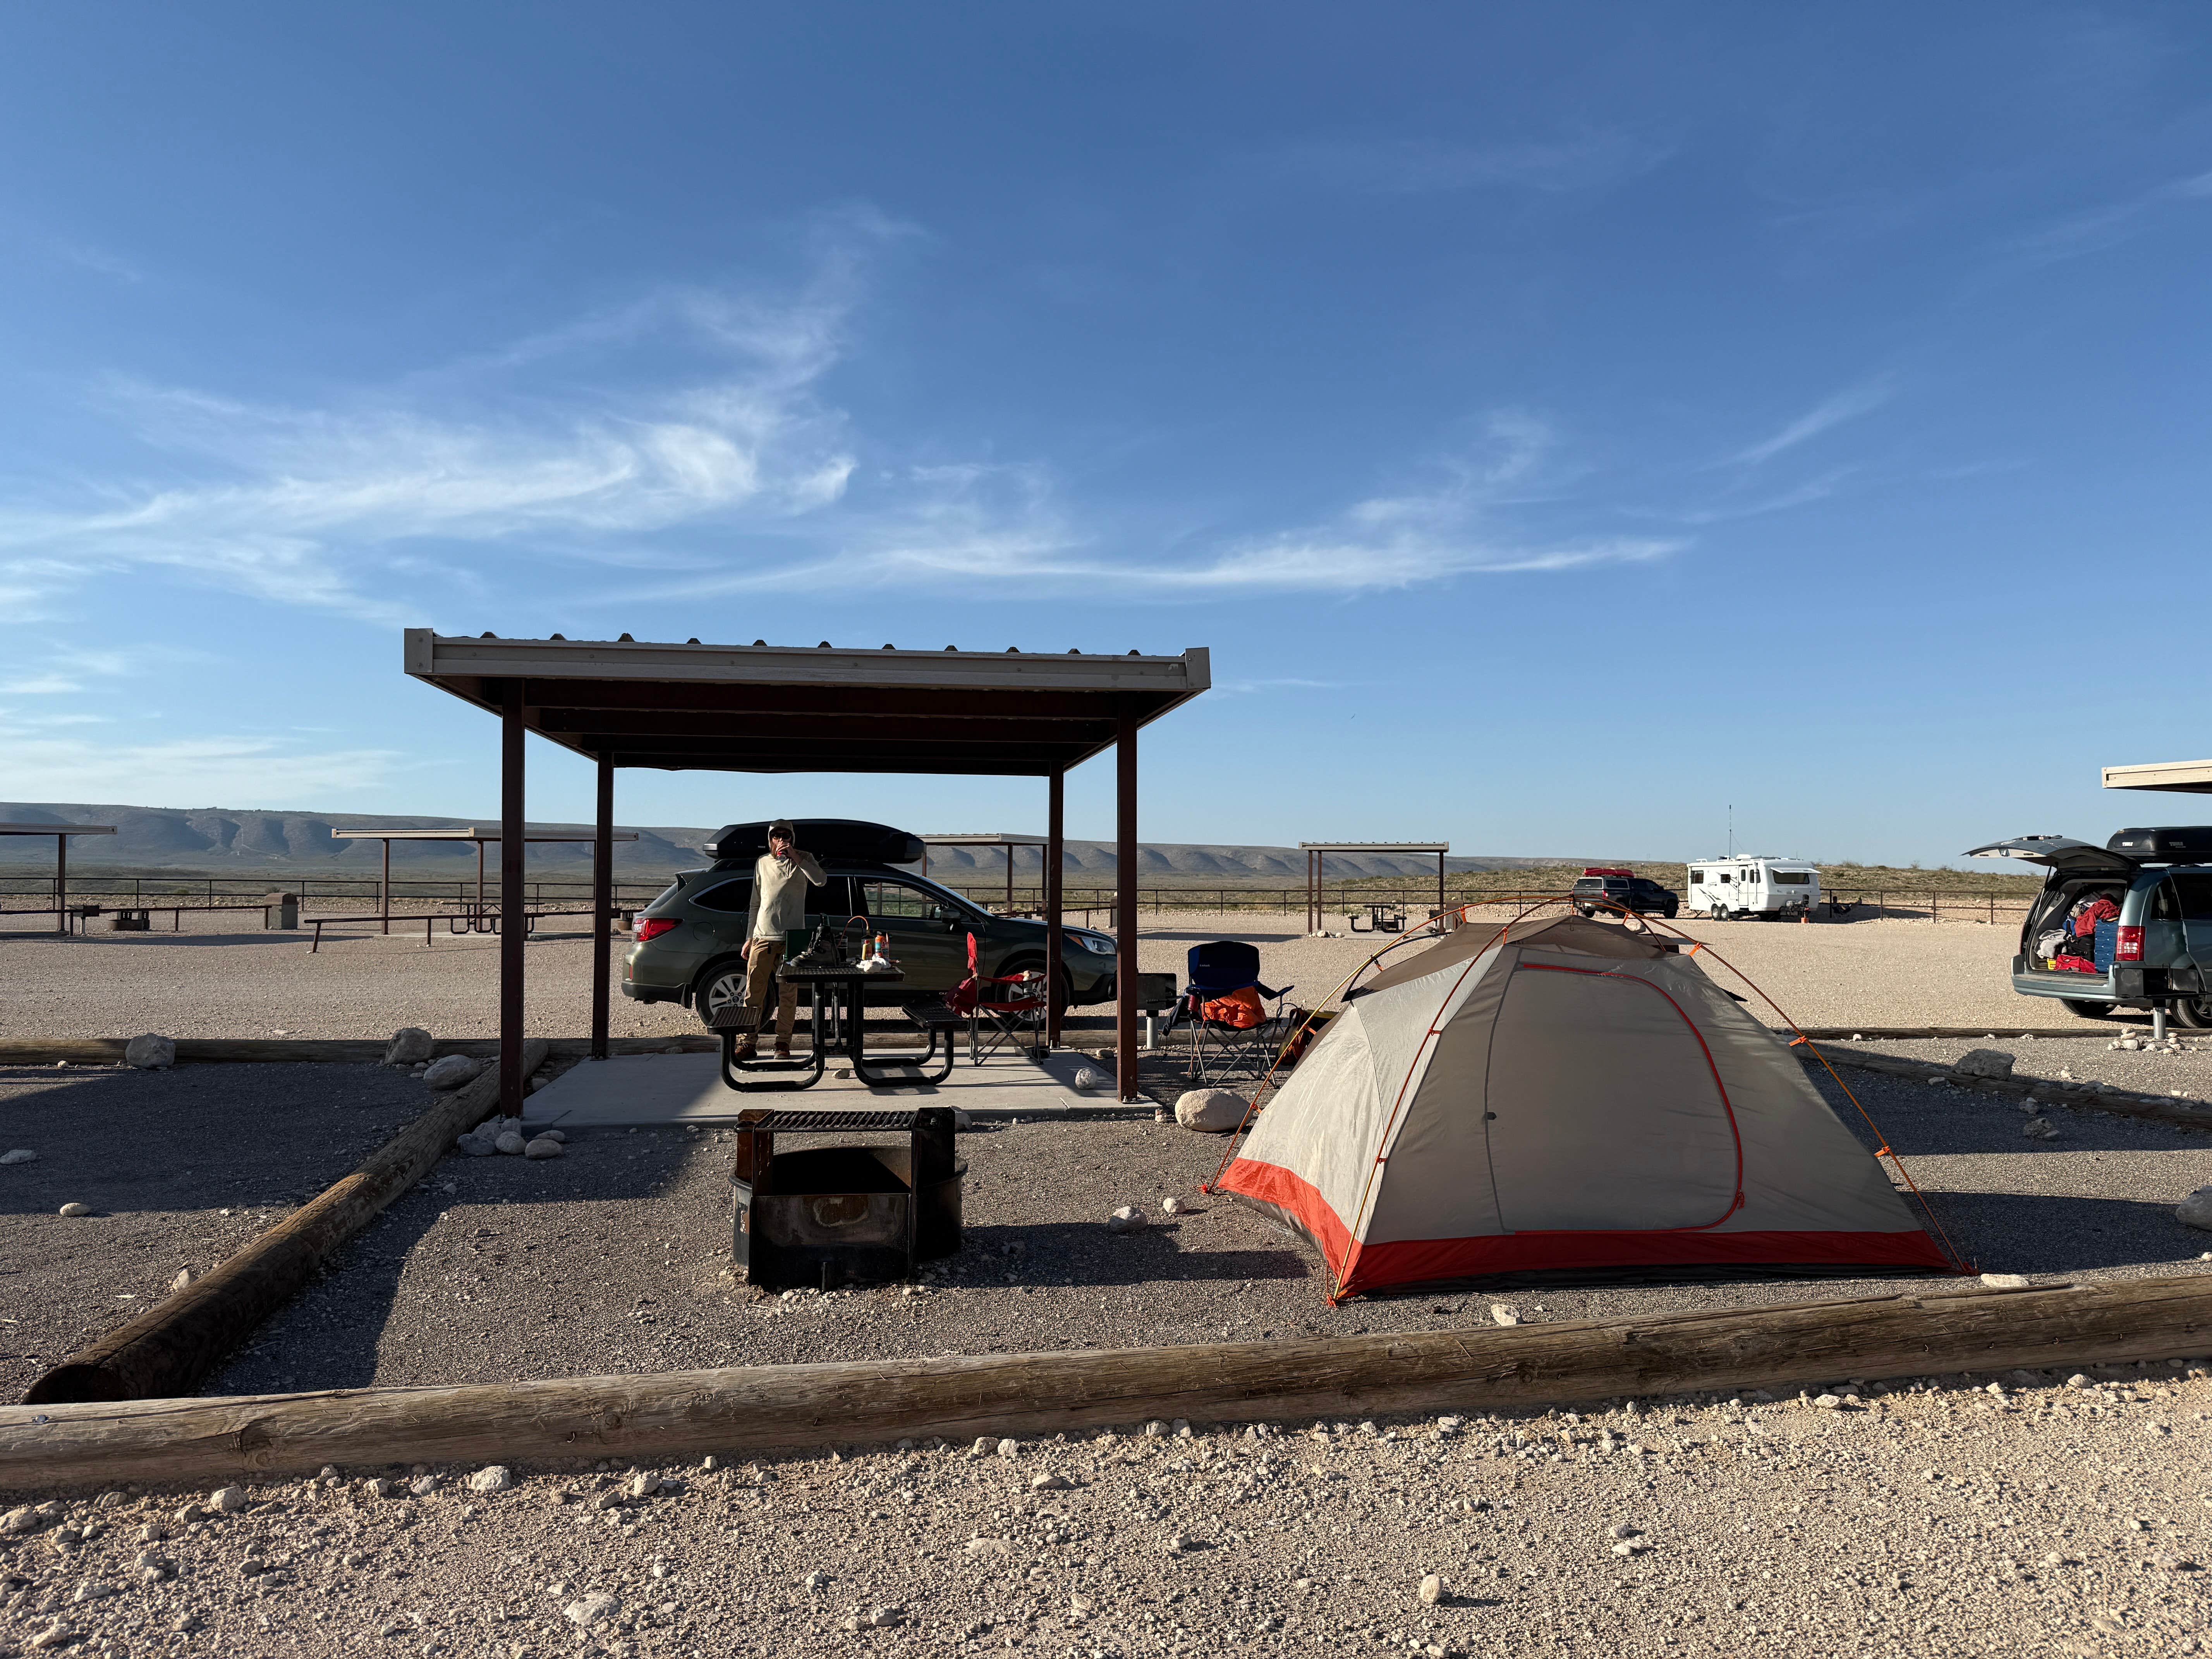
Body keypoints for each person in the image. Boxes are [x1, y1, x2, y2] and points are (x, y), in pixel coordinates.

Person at [735, 819, 826, 1061]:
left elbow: (821, 880)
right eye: (777, 836)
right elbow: (756, 902)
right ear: (770, 839)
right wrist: (749, 937)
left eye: (786, 835)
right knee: (754, 993)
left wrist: (795, 855)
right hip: (763, 935)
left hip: (794, 937)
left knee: (788, 994)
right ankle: (748, 1042)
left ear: (793, 838)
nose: (781, 840)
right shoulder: (763, 863)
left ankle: (783, 1043)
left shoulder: (804, 859)